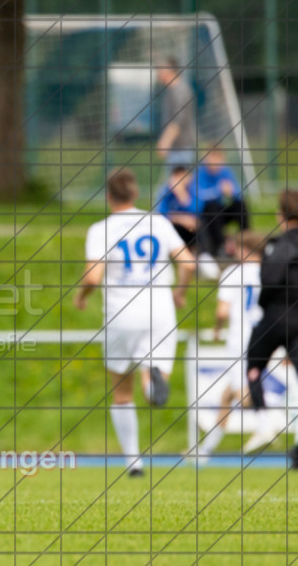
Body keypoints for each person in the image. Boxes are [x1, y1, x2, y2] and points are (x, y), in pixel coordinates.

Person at [75, 169, 195, 477]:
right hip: (160, 310)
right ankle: (151, 381)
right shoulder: (158, 222)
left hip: (121, 313)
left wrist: (82, 296)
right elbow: (188, 263)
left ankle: (133, 461)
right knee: (151, 367)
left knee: (120, 391)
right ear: (136, 194)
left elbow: (93, 276)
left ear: (108, 196)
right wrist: (180, 292)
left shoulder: (101, 229)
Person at [194, 231, 265, 461]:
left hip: (240, 339)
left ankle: (266, 424)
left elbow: (222, 310)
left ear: (244, 249)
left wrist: (216, 329)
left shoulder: (234, 273)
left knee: (241, 394)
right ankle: (204, 451)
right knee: (227, 396)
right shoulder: (272, 270)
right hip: (267, 336)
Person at [245, 190, 298, 467]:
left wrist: (267, 305)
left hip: (277, 317)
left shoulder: (279, 246)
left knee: (254, 365)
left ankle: (264, 421)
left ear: (281, 215)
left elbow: (270, 278)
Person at [154, 166, 220, 280]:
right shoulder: (165, 192)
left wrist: (182, 194)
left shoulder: (192, 190)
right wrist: (180, 218)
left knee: (199, 223)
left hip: (190, 229)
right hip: (173, 228)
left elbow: (197, 209)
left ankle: (205, 257)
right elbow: (160, 215)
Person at [196, 146, 250, 258]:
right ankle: (220, 246)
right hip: (206, 215)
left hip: (221, 212)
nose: (216, 163)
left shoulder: (225, 171)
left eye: (218, 159)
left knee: (240, 205)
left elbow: (238, 192)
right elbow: (199, 196)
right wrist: (218, 190)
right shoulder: (200, 173)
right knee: (212, 206)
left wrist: (232, 192)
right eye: (213, 159)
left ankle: (246, 241)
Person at [154, 58, 199, 169]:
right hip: (176, 149)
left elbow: (178, 121)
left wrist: (165, 141)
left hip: (182, 149)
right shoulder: (171, 90)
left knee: (178, 184)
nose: (158, 72)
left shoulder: (180, 91)